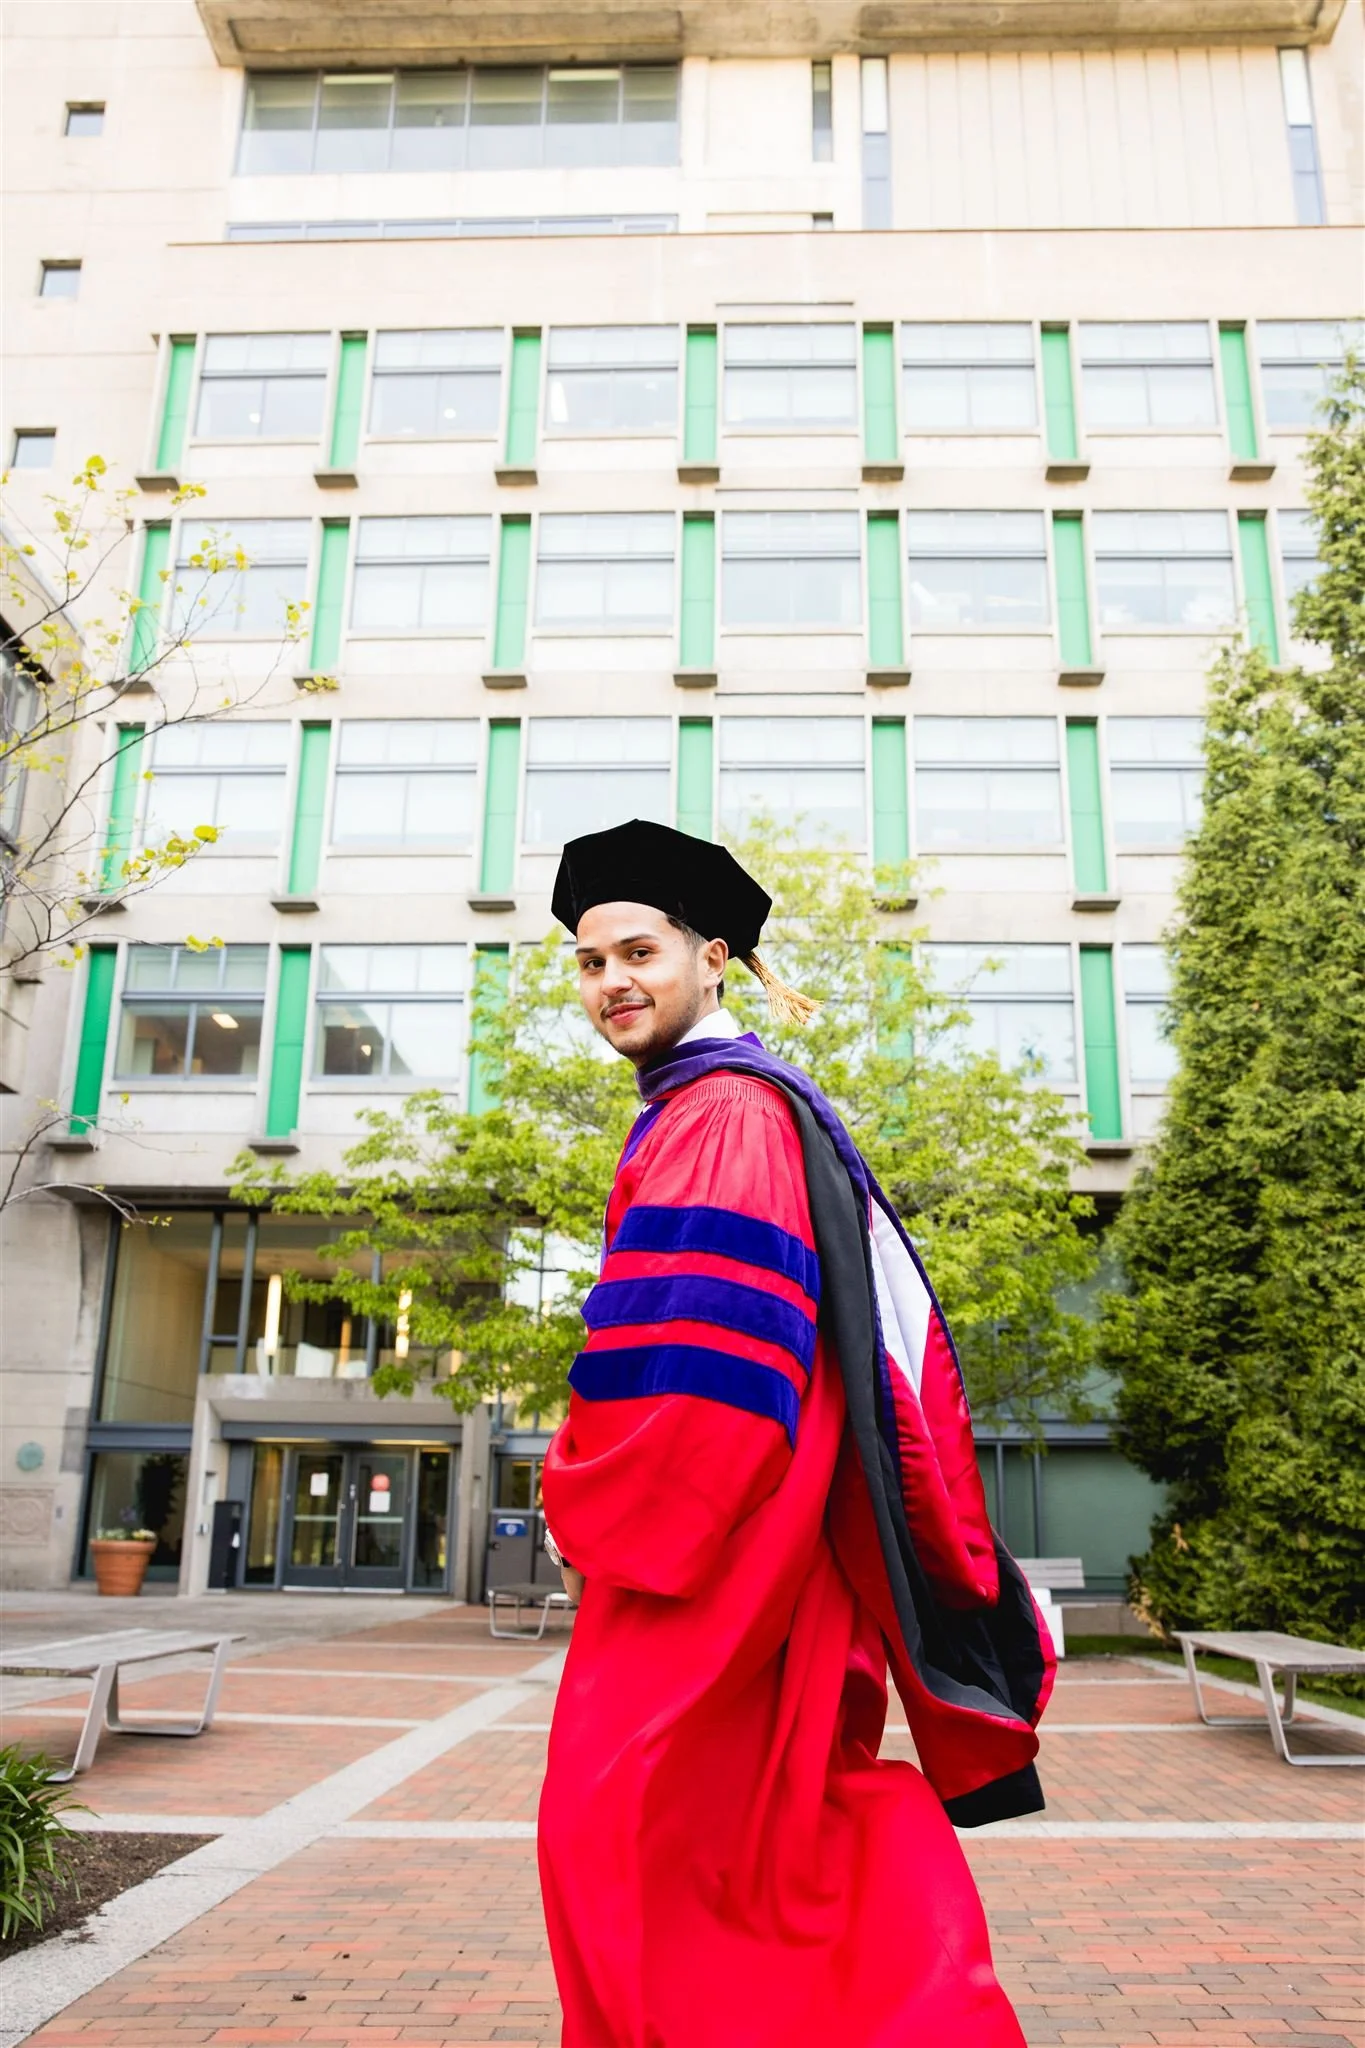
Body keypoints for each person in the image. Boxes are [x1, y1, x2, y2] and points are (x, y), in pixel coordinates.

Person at [538, 819, 1053, 2048]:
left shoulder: (720, 1113)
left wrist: (589, 1506)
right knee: (771, 1837)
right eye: (589, 960)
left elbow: (699, 1370)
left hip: (715, 1547)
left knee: (617, 1832)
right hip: (774, 1540)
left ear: (713, 957)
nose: (611, 979)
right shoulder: (730, 1103)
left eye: (639, 951)